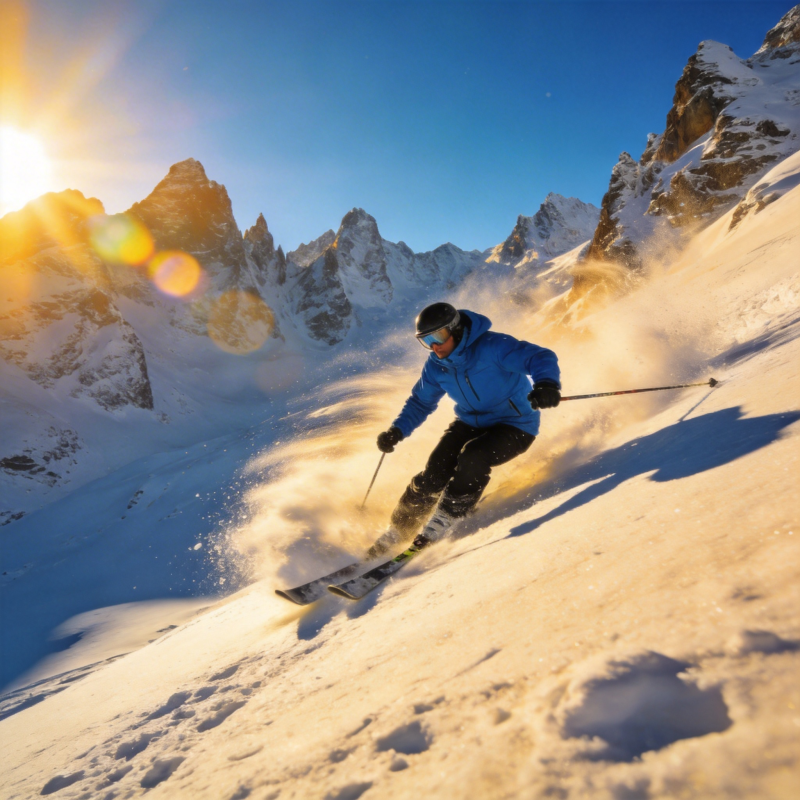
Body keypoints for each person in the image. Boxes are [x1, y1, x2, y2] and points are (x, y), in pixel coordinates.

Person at [367, 302, 561, 558]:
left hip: (515, 423)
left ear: (455, 330)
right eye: (426, 341)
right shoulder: (436, 365)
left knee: (473, 457)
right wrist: (397, 430)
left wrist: (546, 384)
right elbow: (421, 402)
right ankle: (400, 528)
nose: (434, 347)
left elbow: (539, 357)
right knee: (436, 468)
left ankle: (446, 517)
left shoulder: (493, 346)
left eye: (438, 337)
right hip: (470, 422)